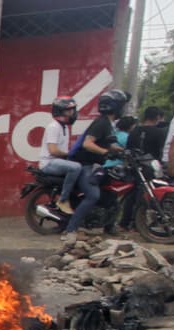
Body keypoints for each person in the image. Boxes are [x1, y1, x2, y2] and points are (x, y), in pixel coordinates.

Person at [62, 89, 128, 242]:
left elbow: (110, 143)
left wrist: (125, 151)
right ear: (116, 106)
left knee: (111, 192)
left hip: (96, 165)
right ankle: (70, 230)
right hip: (85, 165)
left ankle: (109, 226)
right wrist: (105, 152)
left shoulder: (108, 124)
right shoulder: (101, 123)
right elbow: (88, 144)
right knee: (93, 195)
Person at [38, 96, 82, 215]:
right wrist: (69, 154)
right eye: (69, 110)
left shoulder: (64, 127)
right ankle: (63, 200)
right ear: (60, 111)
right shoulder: (54, 127)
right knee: (76, 167)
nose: (72, 113)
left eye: (73, 110)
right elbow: (53, 150)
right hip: (49, 163)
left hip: (57, 162)